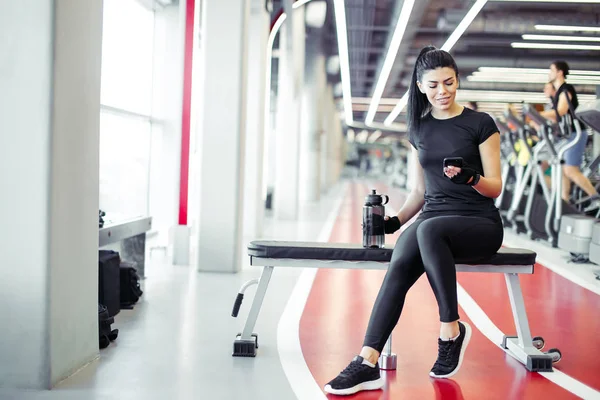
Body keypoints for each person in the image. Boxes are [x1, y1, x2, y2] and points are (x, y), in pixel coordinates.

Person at [323, 46, 505, 396]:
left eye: (449, 82)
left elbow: (494, 187)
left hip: (479, 222)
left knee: (427, 228)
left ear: (457, 80)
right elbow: (419, 192)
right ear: (421, 86)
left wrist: (471, 178)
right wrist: (393, 222)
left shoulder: (481, 124)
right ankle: (367, 361)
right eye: (434, 85)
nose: (443, 91)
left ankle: (450, 329)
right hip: (432, 222)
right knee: (403, 253)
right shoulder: (418, 129)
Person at [539, 61, 599, 210]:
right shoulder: (559, 92)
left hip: (576, 133)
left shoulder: (566, 88)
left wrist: (538, 114)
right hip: (568, 136)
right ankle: (564, 204)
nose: (549, 73)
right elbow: (556, 117)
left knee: (571, 170)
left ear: (560, 72)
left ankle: (596, 198)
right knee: (562, 170)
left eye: (551, 70)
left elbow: (561, 111)